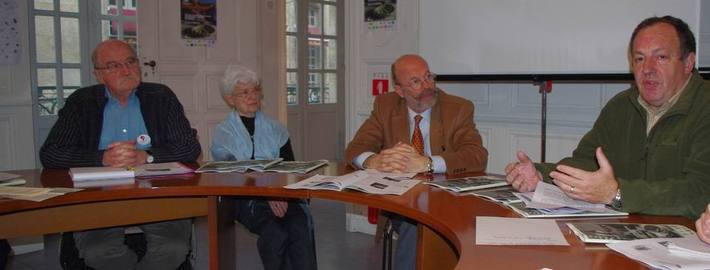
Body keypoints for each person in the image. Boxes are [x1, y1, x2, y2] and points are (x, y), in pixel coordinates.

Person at [505, 16, 710, 220]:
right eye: (639, 59)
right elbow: (587, 163)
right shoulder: (621, 106)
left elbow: (700, 192)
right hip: (629, 233)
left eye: (661, 57)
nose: (647, 69)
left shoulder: (705, 106)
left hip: (691, 240)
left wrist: (617, 194)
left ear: (688, 63)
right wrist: (541, 176)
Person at [40, 40, 201, 270]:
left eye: (130, 61)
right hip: (97, 197)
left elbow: (189, 147)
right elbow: (51, 153)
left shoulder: (161, 97)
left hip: (158, 196)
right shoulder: (81, 102)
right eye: (114, 66)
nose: (126, 70)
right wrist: (102, 158)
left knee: (173, 248)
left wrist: (147, 156)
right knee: (99, 251)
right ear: (98, 75)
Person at [344, 54, 488, 270]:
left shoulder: (457, 108)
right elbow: (355, 148)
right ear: (400, 91)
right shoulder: (385, 105)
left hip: (446, 199)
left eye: (428, 76)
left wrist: (427, 163)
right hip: (401, 198)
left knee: (420, 220)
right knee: (416, 218)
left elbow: (477, 155)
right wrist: (374, 160)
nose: (428, 85)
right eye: (416, 81)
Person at [211, 64, 317, 270]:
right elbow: (234, 171)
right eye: (244, 92)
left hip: (281, 193)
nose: (253, 96)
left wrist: (280, 194)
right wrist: (267, 194)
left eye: (255, 90)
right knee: (275, 233)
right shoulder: (223, 133)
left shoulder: (277, 129)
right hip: (244, 197)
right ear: (230, 99)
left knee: (300, 226)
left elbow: (290, 168)